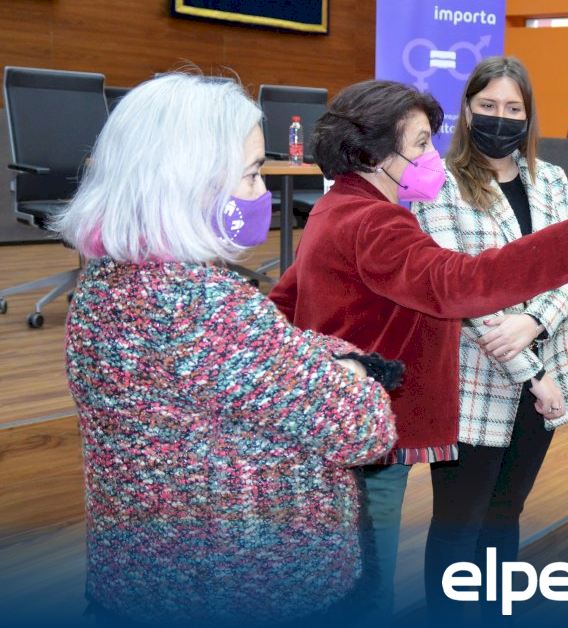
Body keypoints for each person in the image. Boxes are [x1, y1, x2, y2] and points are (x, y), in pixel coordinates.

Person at [267, 80, 568, 619]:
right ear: (375, 153)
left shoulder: (337, 207)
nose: (432, 156)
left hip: (347, 420)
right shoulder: (375, 219)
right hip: (367, 434)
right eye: (420, 144)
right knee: (366, 593)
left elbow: (285, 300)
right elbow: (459, 282)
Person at [53, 73, 399, 625]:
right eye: (253, 173)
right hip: (251, 586)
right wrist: (353, 371)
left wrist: (309, 356)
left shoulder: (103, 283)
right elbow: (364, 430)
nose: (263, 193)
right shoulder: (204, 305)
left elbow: (269, 357)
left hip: (140, 577)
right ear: (191, 182)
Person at [411, 57, 568, 622]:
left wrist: (534, 324)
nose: (500, 117)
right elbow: (456, 287)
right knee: (458, 521)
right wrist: (532, 374)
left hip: (543, 357)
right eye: (488, 105)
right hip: (474, 376)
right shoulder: (438, 183)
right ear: (467, 111)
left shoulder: (552, 179)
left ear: (528, 115)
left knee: (505, 513)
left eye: (513, 108)